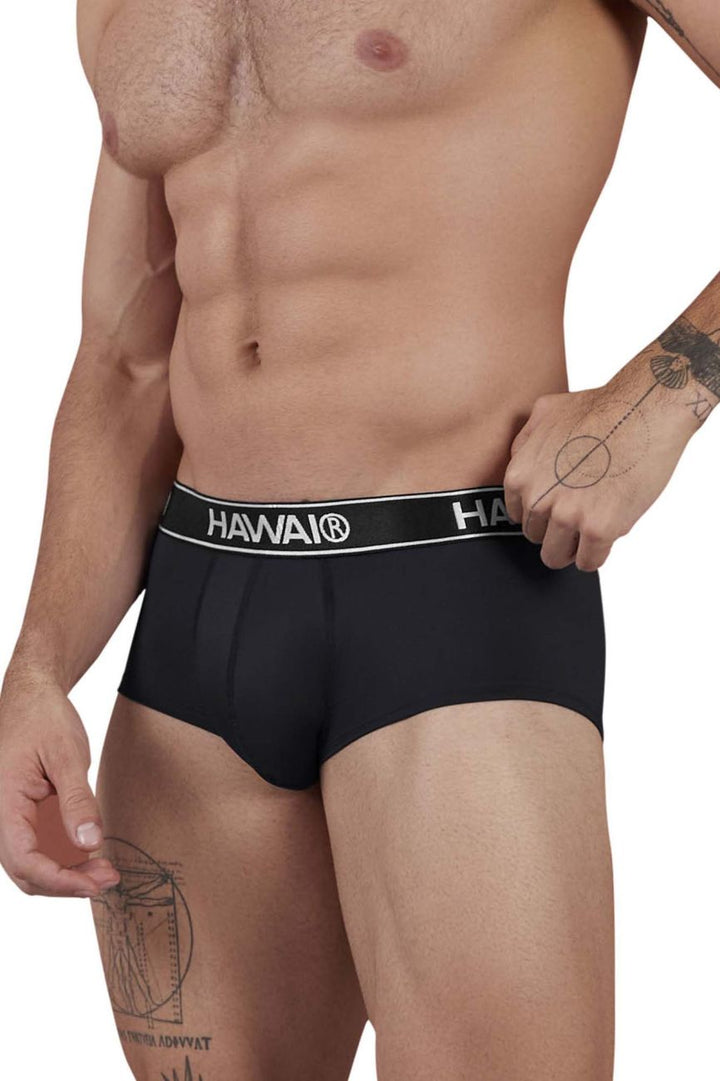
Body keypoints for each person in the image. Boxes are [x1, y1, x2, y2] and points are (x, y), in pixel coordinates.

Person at [1, 1, 718, 1078]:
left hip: (455, 599)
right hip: (197, 624)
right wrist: (39, 666)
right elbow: (123, 360)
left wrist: (664, 396)